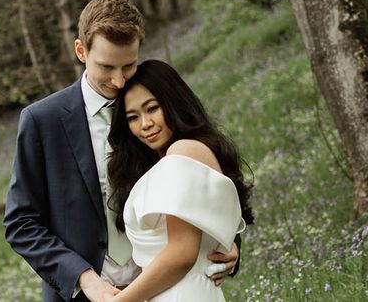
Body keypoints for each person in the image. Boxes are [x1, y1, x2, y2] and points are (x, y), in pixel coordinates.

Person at [4, 0, 240, 302]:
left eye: (128, 65)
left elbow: (202, 179)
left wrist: (226, 241)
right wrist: (83, 277)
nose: (118, 80)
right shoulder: (41, 121)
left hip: (166, 288)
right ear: (81, 50)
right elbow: (20, 223)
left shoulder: (155, 111)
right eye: (106, 66)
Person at [101, 59, 254, 302]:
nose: (145, 124)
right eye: (132, 117)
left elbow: (182, 253)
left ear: (173, 102)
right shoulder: (173, 158)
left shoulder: (183, 152)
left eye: (152, 108)